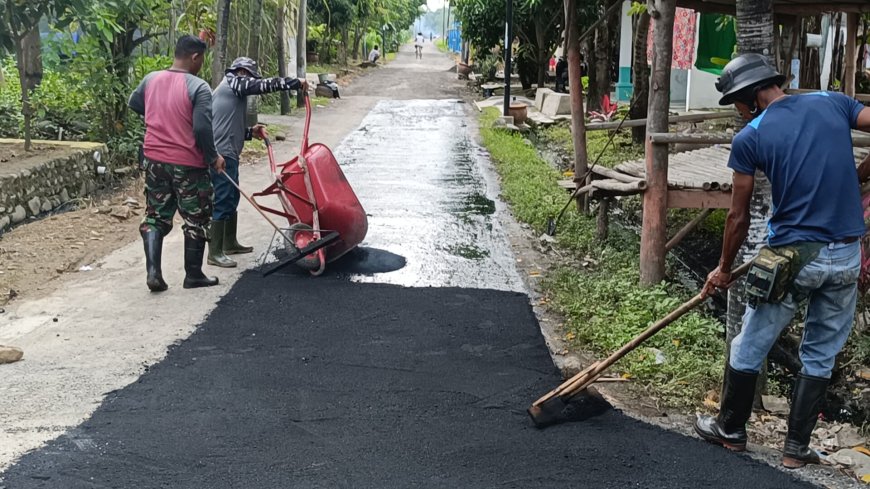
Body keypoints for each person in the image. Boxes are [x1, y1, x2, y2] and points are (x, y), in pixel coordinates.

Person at [695, 52, 870, 469]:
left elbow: (738, 217)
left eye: (737, 103)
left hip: (794, 259)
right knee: (821, 354)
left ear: (751, 97)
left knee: (749, 343)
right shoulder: (832, 101)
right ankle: (795, 450)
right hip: (847, 256)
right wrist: (856, 176)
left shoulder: (751, 136)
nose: (739, 112)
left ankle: (731, 430)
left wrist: (723, 268)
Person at [128, 35, 225, 292]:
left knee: (156, 215)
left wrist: (160, 119)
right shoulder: (198, 87)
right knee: (196, 216)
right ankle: (193, 275)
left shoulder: (151, 79)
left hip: (154, 160)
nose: (202, 64)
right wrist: (213, 157)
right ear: (195, 57)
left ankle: (153, 273)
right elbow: (203, 127)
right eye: (202, 59)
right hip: (187, 163)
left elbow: (134, 103)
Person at [208, 57, 309, 268]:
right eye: (250, 76)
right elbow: (263, 86)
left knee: (232, 197)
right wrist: (294, 83)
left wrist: (248, 132)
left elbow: (225, 123)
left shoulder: (231, 88)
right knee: (224, 199)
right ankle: (214, 252)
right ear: (242, 72)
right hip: (223, 153)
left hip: (229, 150)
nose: (251, 81)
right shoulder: (233, 82)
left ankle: (229, 243)